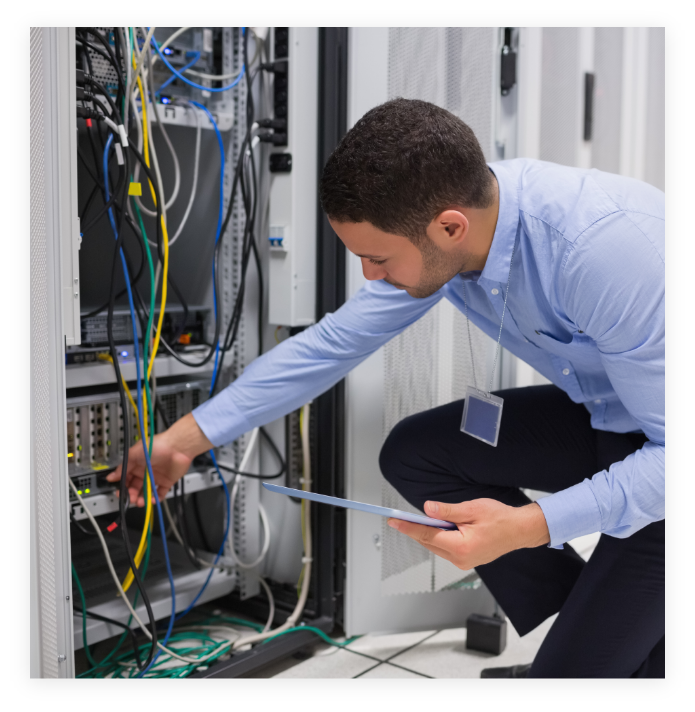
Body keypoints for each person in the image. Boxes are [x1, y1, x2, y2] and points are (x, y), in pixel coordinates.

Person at [108, 98, 665, 679]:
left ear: (450, 227)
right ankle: (611, 633)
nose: (371, 276)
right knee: (417, 453)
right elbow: (327, 347)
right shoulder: (456, 231)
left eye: (377, 258)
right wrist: (184, 439)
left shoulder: (600, 253)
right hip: (614, 417)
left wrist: (530, 527)